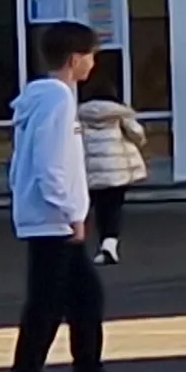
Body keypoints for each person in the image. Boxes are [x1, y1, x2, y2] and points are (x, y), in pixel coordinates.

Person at [0, 23, 132, 372]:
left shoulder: (46, 98)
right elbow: (50, 163)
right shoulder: (56, 99)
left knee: (85, 297)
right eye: (91, 56)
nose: (93, 63)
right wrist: (71, 212)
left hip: (49, 215)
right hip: (52, 218)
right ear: (75, 59)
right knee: (46, 304)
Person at [77, 90, 148, 263]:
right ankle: (108, 246)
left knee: (82, 209)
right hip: (117, 169)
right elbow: (137, 134)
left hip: (90, 170)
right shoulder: (119, 113)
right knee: (112, 208)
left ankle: (75, 247)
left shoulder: (78, 113)